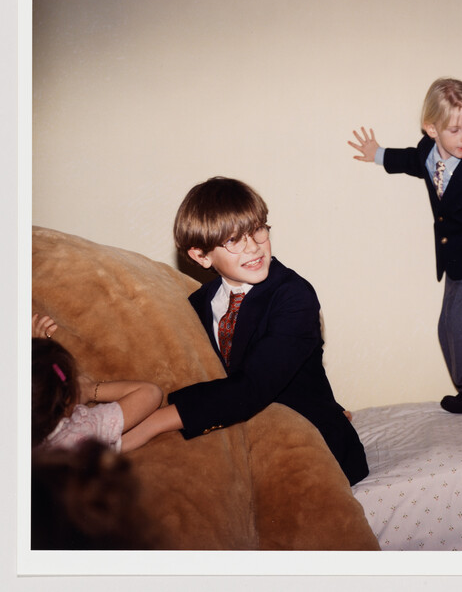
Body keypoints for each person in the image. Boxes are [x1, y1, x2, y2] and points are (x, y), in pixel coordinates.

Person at [124, 177, 368, 485]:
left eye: (257, 229)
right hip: (246, 440)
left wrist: (151, 424)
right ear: (201, 256)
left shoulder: (294, 295)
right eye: (233, 240)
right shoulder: (200, 303)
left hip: (313, 451)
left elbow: (253, 386)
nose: (253, 246)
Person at [347, 78, 462, 421]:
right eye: (455, 130)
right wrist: (378, 155)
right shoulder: (427, 152)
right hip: (454, 261)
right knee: (447, 328)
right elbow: (411, 161)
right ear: (431, 128)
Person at [32, 316, 164, 454]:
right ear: (67, 403)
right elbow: (150, 393)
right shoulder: (81, 432)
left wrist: (36, 351)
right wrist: (87, 390)